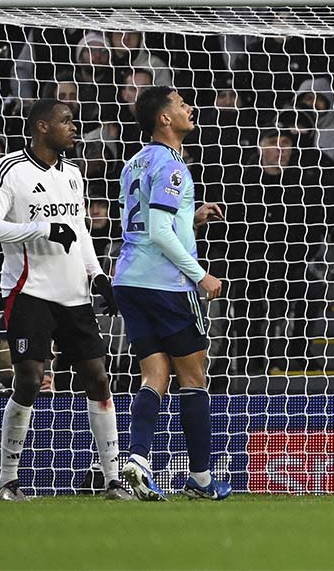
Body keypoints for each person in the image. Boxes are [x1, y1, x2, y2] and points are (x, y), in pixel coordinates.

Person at [0, 99, 129, 501]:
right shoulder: (10, 168)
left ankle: (112, 481)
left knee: (97, 377)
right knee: (28, 379)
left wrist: (98, 276)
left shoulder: (74, 173)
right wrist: (40, 229)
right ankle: (7, 480)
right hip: (29, 292)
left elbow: (79, 230)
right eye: (66, 121)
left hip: (74, 294)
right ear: (42, 127)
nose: (74, 127)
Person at [114, 86, 230, 501]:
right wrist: (200, 275)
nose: (190, 108)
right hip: (166, 284)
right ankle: (201, 480)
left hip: (129, 279)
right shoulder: (173, 166)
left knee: (154, 375)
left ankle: (137, 462)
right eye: (181, 104)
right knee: (194, 377)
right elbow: (160, 231)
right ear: (164, 118)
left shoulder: (134, 163)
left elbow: (149, 222)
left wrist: (192, 218)